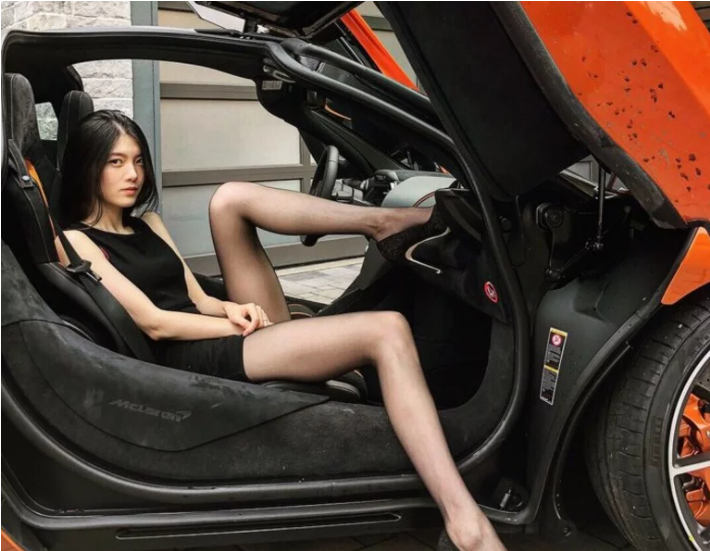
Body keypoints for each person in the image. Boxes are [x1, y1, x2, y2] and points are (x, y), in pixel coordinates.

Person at [56, 110, 507, 551]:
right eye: (116, 162)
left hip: (218, 331)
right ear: (88, 167)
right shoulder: (75, 240)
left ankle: (380, 222)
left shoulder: (149, 224)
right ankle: (464, 521)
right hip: (188, 356)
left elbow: (197, 297)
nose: (132, 174)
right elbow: (154, 322)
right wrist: (228, 326)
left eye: (138, 160)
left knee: (229, 199)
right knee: (387, 330)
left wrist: (235, 308)